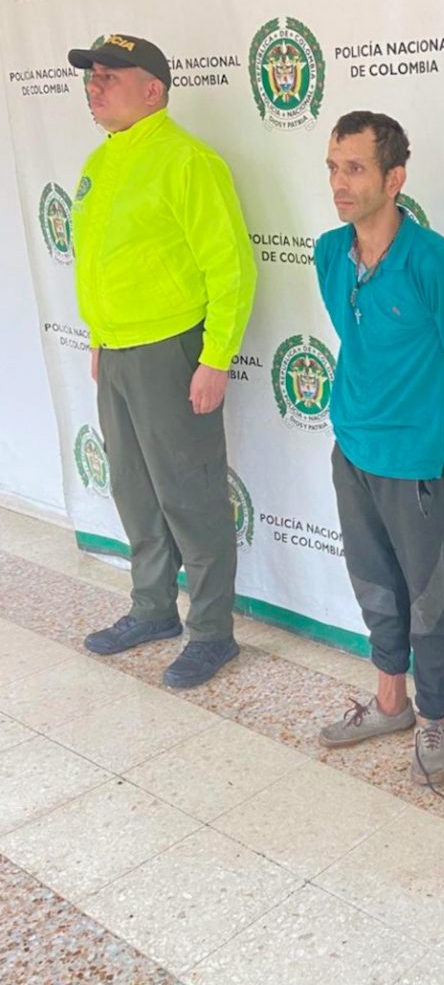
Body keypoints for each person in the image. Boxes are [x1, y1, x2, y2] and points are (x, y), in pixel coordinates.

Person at [68, 34, 256, 688]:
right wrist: (99, 338)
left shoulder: (187, 162)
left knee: (190, 494)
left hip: (172, 349)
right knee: (134, 490)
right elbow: (104, 261)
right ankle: (152, 609)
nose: (94, 86)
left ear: (152, 89)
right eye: (90, 77)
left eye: (108, 76)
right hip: (117, 351)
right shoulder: (100, 161)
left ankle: (211, 632)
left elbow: (229, 266)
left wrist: (214, 358)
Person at [313, 111, 444, 792]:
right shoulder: (330, 252)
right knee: (374, 588)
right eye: (332, 167)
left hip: (414, 465)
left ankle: (435, 721)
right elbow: (358, 341)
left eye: (354, 168)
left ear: (395, 177)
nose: (339, 182)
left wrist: (434, 439)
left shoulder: (435, 263)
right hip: (351, 450)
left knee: (427, 601)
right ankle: (390, 703)